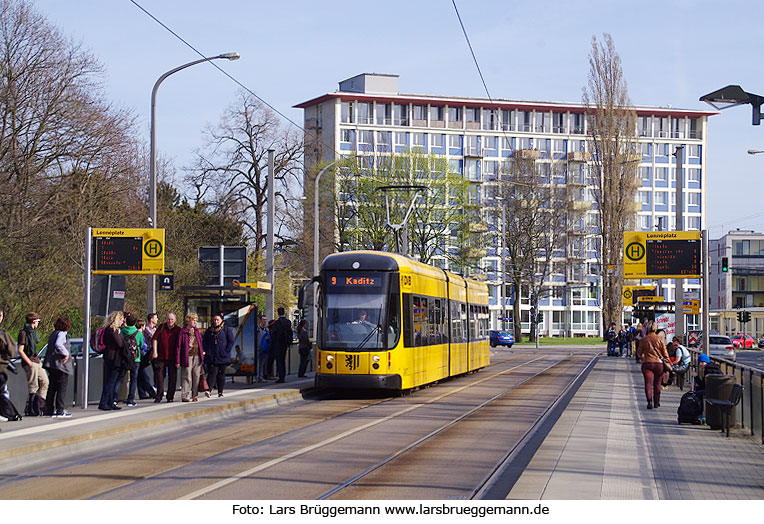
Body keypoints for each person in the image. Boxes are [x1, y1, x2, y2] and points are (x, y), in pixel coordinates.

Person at [42, 317, 74, 418]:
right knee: (61, 388)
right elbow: (59, 344)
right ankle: (60, 410)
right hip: (60, 365)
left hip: (50, 364)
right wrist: (66, 354)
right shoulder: (62, 334)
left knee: (52, 387)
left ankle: (49, 409)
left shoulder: (53, 334)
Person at [17, 312, 49, 409]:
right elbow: (20, 350)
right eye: (38, 321)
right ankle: (32, 408)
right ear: (34, 322)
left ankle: (40, 404)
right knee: (33, 386)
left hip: (37, 361)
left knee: (45, 382)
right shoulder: (23, 333)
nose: (38, 324)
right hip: (30, 362)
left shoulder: (34, 333)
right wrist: (29, 363)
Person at [637, 321, 671, 409]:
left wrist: (644, 356)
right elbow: (665, 353)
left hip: (647, 363)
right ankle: (657, 402)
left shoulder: (643, 339)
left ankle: (649, 401)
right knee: (657, 383)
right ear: (656, 328)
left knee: (648, 383)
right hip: (658, 364)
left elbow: (639, 352)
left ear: (647, 328)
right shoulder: (661, 339)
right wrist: (669, 362)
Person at [98, 311, 127, 411]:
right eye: (121, 320)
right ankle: (104, 402)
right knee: (110, 381)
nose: (122, 322)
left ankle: (110, 402)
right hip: (112, 358)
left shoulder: (113, 330)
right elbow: (120, 344)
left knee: (112, 381)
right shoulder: (112, 330)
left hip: (112, 357)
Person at [203, 313, 234, 397]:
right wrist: (207, 351)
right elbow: (204, 341)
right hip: (212, 356)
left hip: (223, 356)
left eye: (217, 320)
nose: (216, 321)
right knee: (212, 373)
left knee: (221, 374)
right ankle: (209, 390)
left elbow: (231, 341)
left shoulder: (226, 330)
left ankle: (220, 391)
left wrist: (226, 351)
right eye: (214, 320)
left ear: (221, 321)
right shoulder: (210, 330)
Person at [152, 313, 181, 403]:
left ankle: (170, 396)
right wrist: (155, 351)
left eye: (172, 319)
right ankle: (159, 395)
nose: (170, 321)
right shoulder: (161, 327)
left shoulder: (178, 330)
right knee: (159, 377)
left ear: (175, 320)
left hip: (173, 357)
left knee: (173, 378)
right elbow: (155, 339)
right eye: (168, 319)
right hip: (161, 356)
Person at [177, 313, 204, 402]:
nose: (195, 322)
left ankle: (194, 395)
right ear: (188, 321)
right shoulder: (183, 331)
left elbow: (200, 343)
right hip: (187, 355)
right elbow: (178, 346)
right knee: (186, 376)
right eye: (193, 320)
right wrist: (178, 360)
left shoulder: (197, 331)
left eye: (196, 320)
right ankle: (185, 395)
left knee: (196, 376)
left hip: (197, 356)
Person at [121, 313, 144, 407]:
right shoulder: (138, 333)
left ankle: (114, 398)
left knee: (121, 378)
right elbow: (141, 345)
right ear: (135, 323)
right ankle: (131, 399)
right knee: (134, 379)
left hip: (124, 357)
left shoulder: (122, 331)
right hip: (136, 358)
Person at [269, 307, 293, 384]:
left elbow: (273, 334)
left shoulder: (277, 323)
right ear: (284, 313)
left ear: (278, 313)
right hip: (285, 344)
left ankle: (281, 376)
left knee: (279, 361)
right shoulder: (288, 322)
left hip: (278, 344)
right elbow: (290, 333)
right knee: (283, 360)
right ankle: (283, 375)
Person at [135, 319, 156, 400]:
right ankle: (152, 393)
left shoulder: (135, 333)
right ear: (142, 326)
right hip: (140, 358)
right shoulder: (140, 334)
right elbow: (142, 346)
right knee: (145, 376)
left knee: (140, 376)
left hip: (136, 358)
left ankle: (142, 393)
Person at [256, 315, 271, 383]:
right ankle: (256, 377)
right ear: (260, 321)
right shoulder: (257, 329)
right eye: (263, 320)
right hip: (258, 349)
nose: (264, 321)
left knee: (261, 364)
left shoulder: (266, 330)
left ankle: (260, 377)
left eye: (265, 320)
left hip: (264, 349)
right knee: (257, 364)